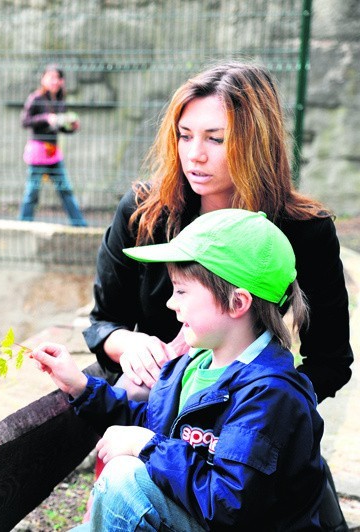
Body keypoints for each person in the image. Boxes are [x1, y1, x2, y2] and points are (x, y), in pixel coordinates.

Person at [32, 208, 329, 530]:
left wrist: (147, 446)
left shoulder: (269, 394)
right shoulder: (192, 366)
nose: (171, 303)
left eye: (182, 291)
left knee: (124, 479)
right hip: (195, 514)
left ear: (237, 303)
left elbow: (229, 503)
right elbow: (155, 424)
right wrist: (80, 386)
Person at [83, 61, 352, 402]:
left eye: (216, 139)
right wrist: (131, 345)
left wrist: (267, 409)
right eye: (184, 135)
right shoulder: (143, 211)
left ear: (255, 142)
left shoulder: (306, 231)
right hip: (149, 398)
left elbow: (330, 361)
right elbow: (102, 323)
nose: (194, 155)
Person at [18, 64, 87, 227]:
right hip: (38, 152)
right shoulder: (35, 98)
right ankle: (22, 225)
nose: (54, 81)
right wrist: (46, 118)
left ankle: (79, 225)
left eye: (57, 78)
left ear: (62, 81)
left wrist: (71, 127)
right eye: (51, 77)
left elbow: (60, 127)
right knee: (32, 193)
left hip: (53, 154)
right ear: (43, 79)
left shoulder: (60, 101)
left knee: (65, 190)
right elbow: (25, 121)